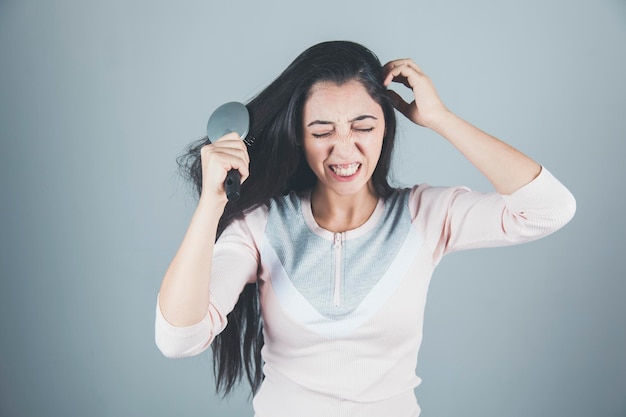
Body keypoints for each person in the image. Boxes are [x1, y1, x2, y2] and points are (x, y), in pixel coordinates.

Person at [155, 40, 576, 417]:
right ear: (299, 137)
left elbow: (548, 210)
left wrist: (441, 119)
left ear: (386, 128)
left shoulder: (425, 214)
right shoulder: (260, 226)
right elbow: (178, 340)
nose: (345, 149)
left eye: (363, 127)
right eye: (322, 132)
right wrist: (212, 205)